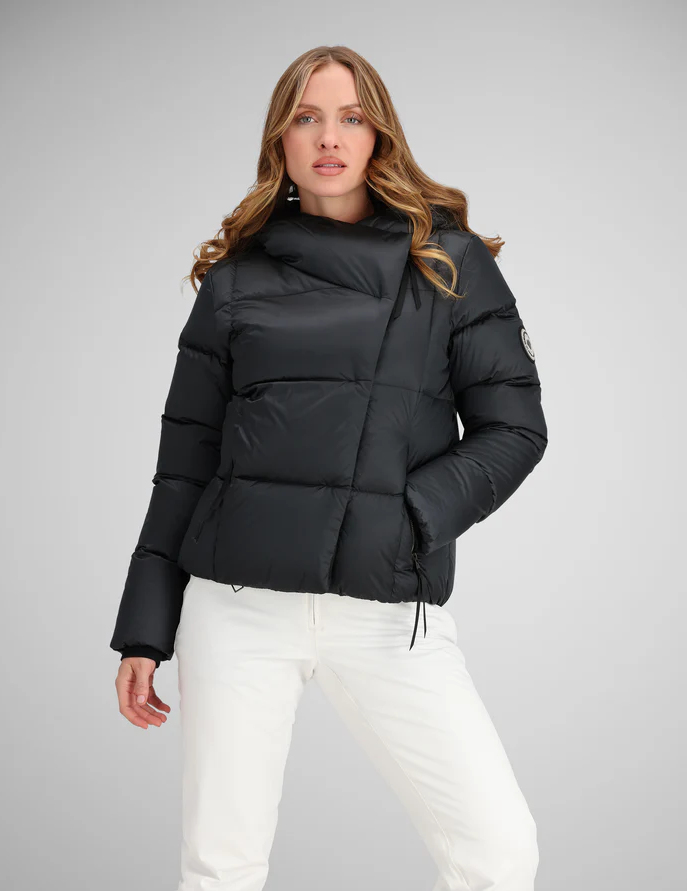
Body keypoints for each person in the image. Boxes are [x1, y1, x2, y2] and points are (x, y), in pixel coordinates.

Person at [110, 45, 548, 891]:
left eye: (350, 117)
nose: (328, 138)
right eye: (305, 118)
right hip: (237, 608)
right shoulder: (235, 281)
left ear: (380, 134)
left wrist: (409, 515)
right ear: (279, 138)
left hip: (385, 610)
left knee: (498, 850)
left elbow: (515, 428)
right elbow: (184, 462)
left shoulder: (446, 262)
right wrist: (144, 629)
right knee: (221, 865)